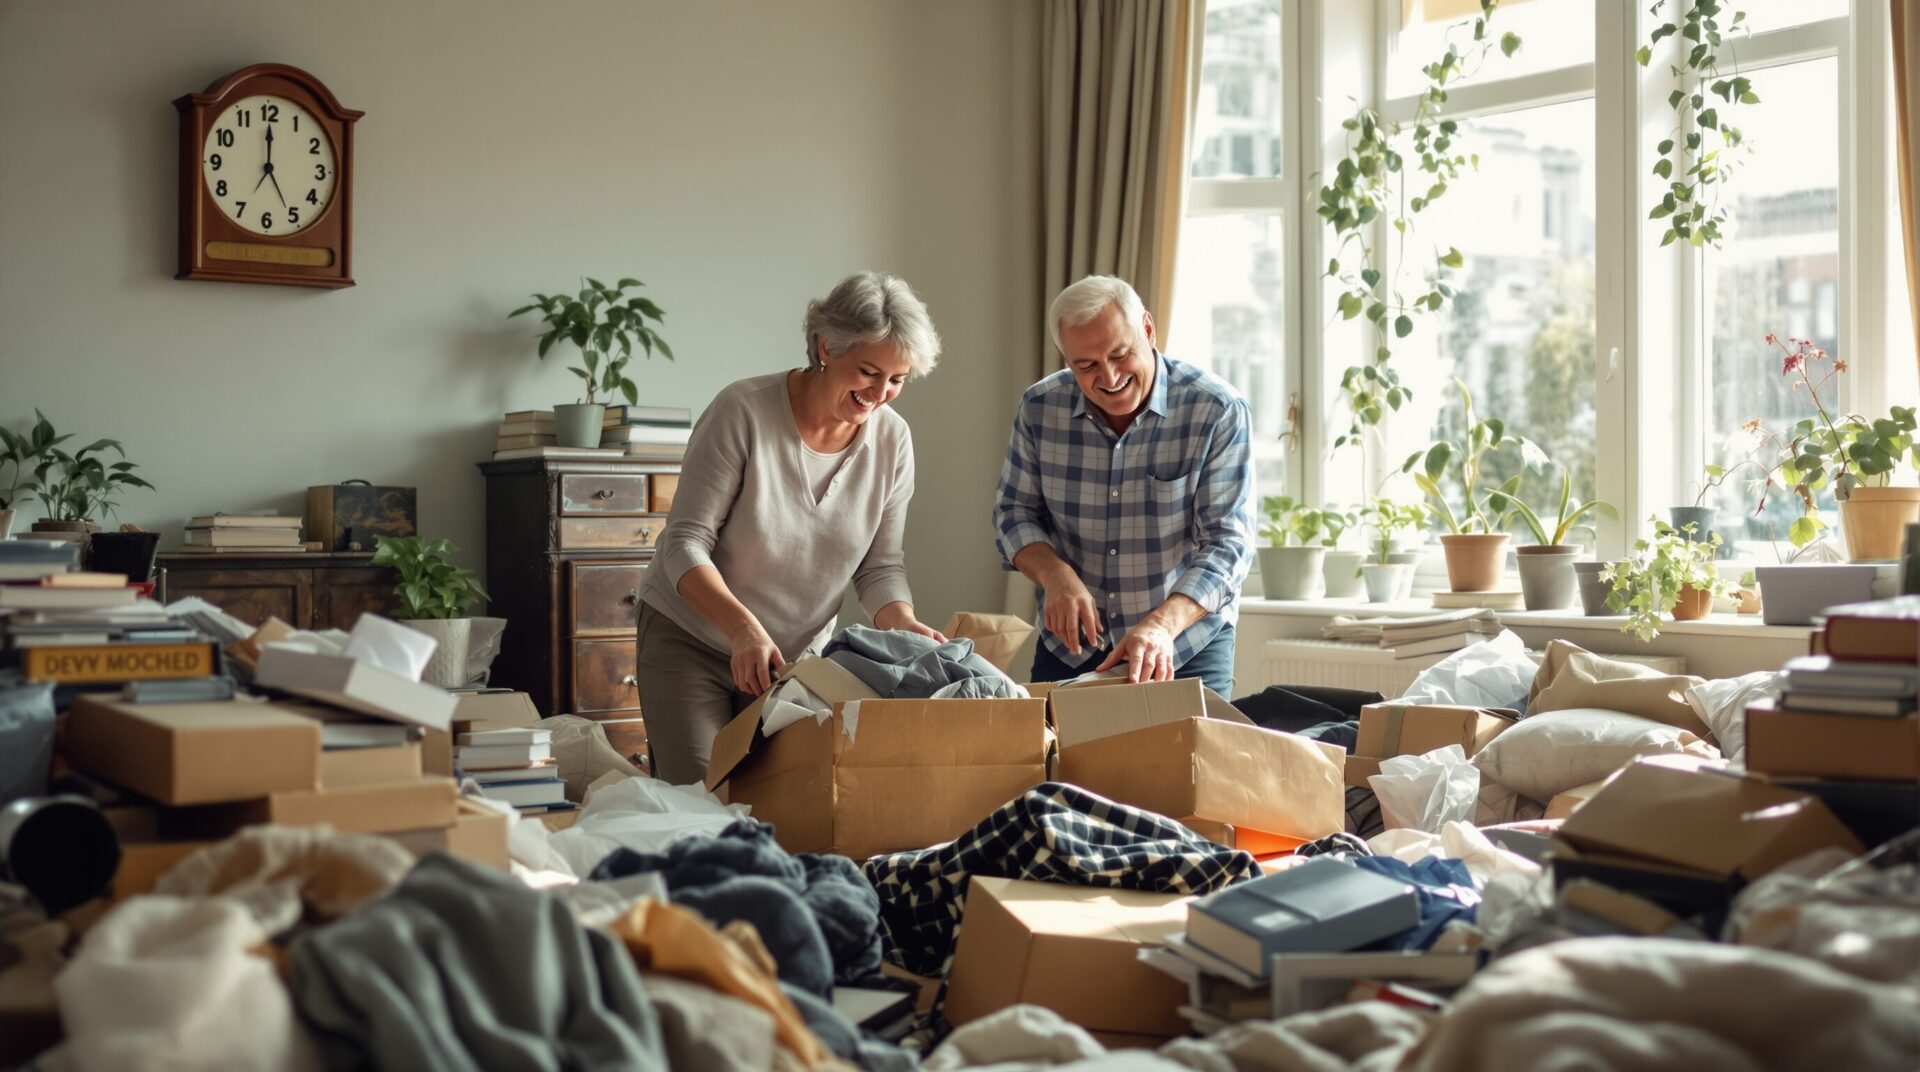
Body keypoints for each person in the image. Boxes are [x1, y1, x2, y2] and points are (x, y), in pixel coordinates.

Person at [636, 271, 946, 785]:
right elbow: (685, 544)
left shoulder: (893, 441)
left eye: (897, 380)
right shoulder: (743, 411)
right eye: (869, 372)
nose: (880, 394)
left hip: (790, 661)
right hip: (690, 640)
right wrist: (742, 628)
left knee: (782, 807)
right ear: (826, 346)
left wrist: (902, 622)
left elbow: (880, 567)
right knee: (700, 800)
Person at [992, 275, 1254, 696]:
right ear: (1065, 358)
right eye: (1086, 365)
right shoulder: (1039, 408)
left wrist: (1162, 625)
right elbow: (1013, 514)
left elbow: (1229, 544)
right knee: (1057, 763)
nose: (1109, 376)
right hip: (1073, 645)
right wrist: (1056, 576)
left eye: (1120, 353)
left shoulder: (1216, 409)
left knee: (1185, 764)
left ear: (1147, 330)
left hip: (1183, 645)